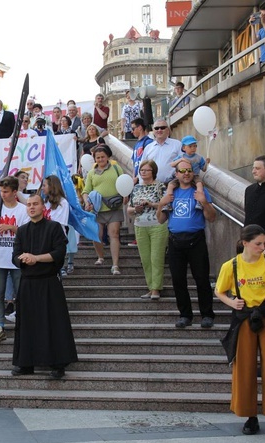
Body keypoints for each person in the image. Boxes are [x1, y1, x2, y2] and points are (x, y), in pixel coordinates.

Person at [215, 225, 265, 438]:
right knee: (244, 367)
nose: (262, 247)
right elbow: (219, 291)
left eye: (264, 243)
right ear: (245, 243)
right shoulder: (231, 266)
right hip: (244, 318)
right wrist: (232, 302)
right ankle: (250, 416)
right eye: (258, 243)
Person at [11, 194, 77, 379]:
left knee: (53, 323)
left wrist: (36, 258)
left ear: (43, 207)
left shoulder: (54, 227)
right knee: (27, 324)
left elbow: (59, 252)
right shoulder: (22, 230)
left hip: (49, 283)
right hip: (28, 284)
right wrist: (22, 259)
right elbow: (15, 256)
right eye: (29, 204)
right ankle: (26, 363)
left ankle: (57, 364)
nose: (31, 207)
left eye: (35, 204)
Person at [156, 161, 216, 328]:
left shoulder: (200, 191)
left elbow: (211, 217)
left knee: (202, 278)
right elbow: (160, 220)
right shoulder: (172, 192)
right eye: (182, 171)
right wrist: (161, 203)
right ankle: (185, 314)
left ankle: (207, 314)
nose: (186, 174)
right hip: (175, 241)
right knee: (178, 280)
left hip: (196, 240)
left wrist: (204, 202)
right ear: (177, 174)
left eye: (189, 171)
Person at [0, 176, 29, 342]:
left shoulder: (23, 209)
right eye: (1, 191)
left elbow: (26, 232)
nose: (2, 194)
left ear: (14, 192)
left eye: (6, 191)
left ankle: (23, 324)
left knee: (21, 294)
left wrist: (10, 227)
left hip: (17, 258)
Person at [127, 160, 168, 299]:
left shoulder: (160, 186)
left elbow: (166, 205)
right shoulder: (135, 188)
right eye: (141, 170)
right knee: (145, 259)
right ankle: (150, 287)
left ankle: (156, 288)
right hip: (140, 225)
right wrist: (136, 209)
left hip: (158, 224)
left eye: (146, 170)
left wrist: (151, 204)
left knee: (156, 257)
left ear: (153, 171)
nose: (143, 172)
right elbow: (129, 209)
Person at [82, 145, 123, 275]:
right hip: (97, 209)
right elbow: (86, 190)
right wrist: (86, 201)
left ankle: (115, 264)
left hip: (114, 207)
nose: (100, 159)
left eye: (103, 157)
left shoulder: (117, 168)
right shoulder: (91, 173)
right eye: (98, 157)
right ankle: (100, 256)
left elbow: (124, 183)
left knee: (114, 234)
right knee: (97, 235)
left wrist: (125, 196)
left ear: (108, 157)